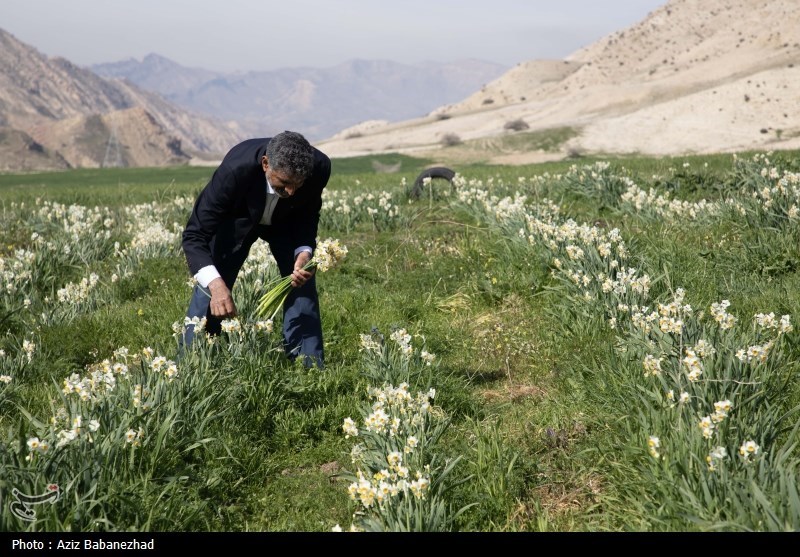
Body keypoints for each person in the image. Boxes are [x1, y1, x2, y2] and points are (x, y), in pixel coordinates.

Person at [180, 131, 331, 368]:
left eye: (297, 185)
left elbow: (308, 215)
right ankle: (194, 360)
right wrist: (217, 285)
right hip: (238, 218)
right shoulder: (234, 170)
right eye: (284, 183)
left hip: (286, 222)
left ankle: (307, 365)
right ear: (265, 164)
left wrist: (304, 251)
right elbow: (194, 234)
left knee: (302, 280)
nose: (291, 192)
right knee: (212, 282)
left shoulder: (318, 168)